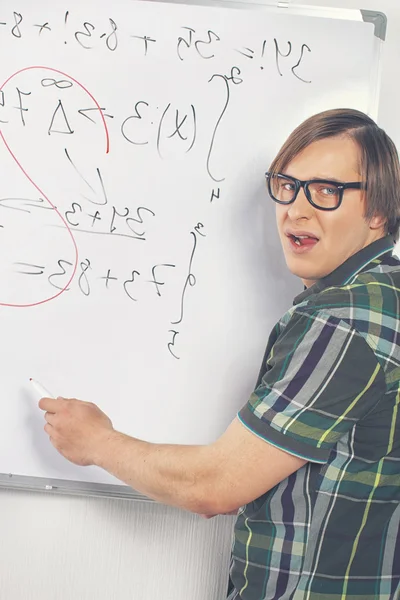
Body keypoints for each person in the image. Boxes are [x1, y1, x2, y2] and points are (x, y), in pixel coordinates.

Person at [39, 108, 400, 600]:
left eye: (325, 191)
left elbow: (216, 486)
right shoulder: (386, 297)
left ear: (378, 210)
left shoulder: (343, 319)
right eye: (287, 186)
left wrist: (96, 442)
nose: (296, 209)